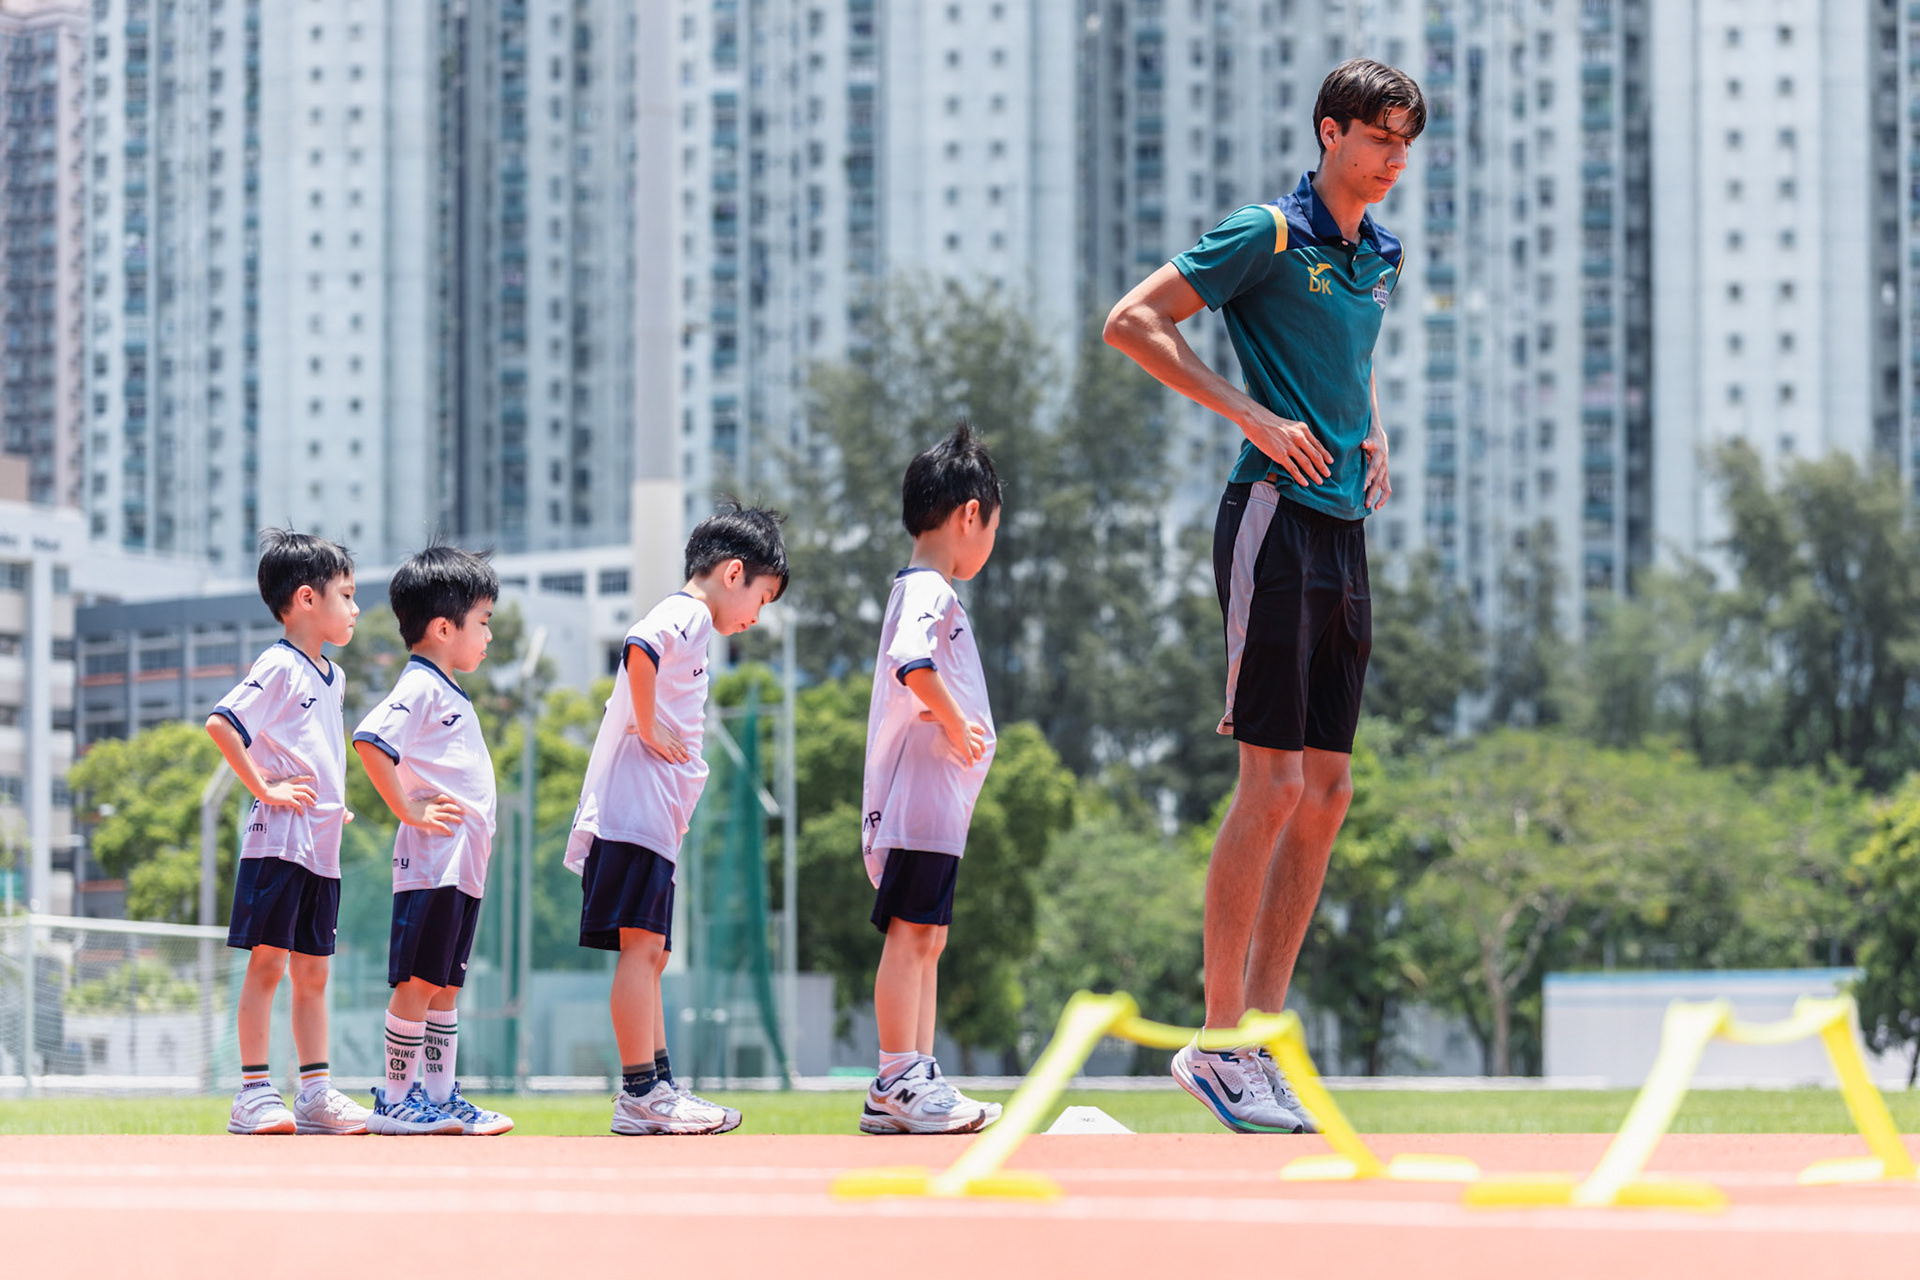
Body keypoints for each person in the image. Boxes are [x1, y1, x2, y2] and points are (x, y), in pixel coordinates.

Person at [1103, 59, 1425, 1133]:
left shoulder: (1379, 253)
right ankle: (1217, 1034)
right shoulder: (1269, 234)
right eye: (1378, 139)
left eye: (1405, 146)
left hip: (1346, 528)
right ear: (1331, 131)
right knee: (1273, 782)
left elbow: (1351, 353)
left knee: (1328, 792)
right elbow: (1133, 321)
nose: (1392, 162)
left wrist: (1369, 427)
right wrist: (1247, 414)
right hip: (1270, 525)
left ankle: (1260, 1042)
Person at [566, 501, 788, 1136]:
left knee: (653, 954)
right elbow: (639, 646)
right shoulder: (687, 613)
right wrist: (645, 719)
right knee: (641, 952)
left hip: (652, 823)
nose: (756, 616)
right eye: (762, 598)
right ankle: (640, 1092)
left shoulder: (694, 624)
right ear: (733, 572)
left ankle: (657, 1084)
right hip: (633, 818)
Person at [857, 421, 1005, 1135]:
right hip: (920, 800)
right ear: (970, 514)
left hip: (939, 805)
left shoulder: (929, 591)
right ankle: (895, 1074)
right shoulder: (929, 593)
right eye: (993, 528)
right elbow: (910, 665)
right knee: (911, 935)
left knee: (929, 938)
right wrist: (952, 720)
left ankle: (916, 1070)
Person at [207, 529, 369, 1136]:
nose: (355, 609)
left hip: (320, 846)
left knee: (314, 971)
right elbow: (222, 723)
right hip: (278, 841)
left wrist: (334, 805)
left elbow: (317, 751)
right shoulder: (278, 664)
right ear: (307, 598)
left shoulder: (335, 676)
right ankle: (251, 1093)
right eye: (346, 596)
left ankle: (316, 1093)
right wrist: (265, 788)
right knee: (269, 962)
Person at [351, 545, 512, 1136]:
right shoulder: (420, 686)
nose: (488, 636)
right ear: (444, 628)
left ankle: (440, 1098)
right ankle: (395, 1100)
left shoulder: (448, 690)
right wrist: (406, 809)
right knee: (419, 982)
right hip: (432, 864)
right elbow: (370, 739)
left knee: (445, 985)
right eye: (484, 622)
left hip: (463, 867)